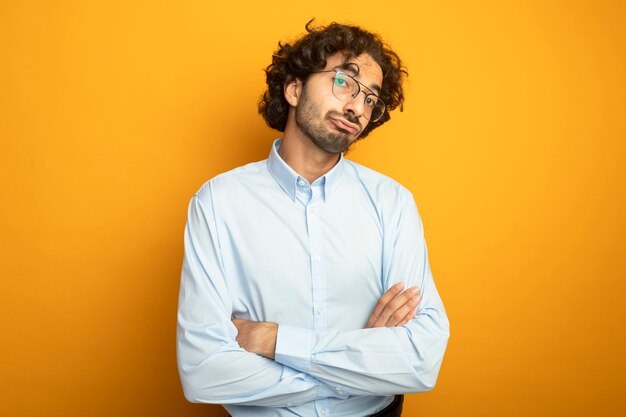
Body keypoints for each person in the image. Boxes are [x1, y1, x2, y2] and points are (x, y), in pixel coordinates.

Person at [177, 20, 450, 417]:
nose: (357, 106)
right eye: (344, 81)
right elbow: (202, 371)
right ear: (294, 89)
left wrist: (274, 340)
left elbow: (421, 360)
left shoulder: (393, 203)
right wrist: (358, 366)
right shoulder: (218, 203)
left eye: (371, 98)